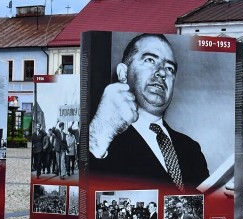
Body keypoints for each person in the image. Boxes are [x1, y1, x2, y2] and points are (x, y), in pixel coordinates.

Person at [89, 34, 209, 192]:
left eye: (169, 68)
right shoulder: (101, 140)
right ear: (123, 73)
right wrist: (99, 137)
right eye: (150, 60)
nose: (162, 73)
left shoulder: (192, 149)